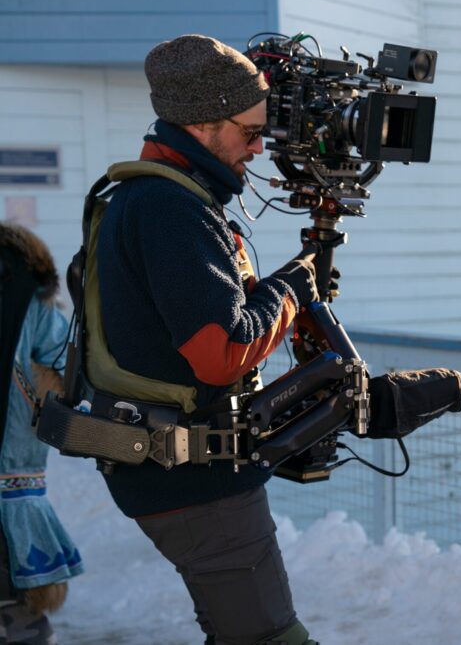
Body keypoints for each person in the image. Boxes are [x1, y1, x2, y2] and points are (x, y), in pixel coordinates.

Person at [91, 35, 320, 645]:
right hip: (196, 483)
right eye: (250, 132)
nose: (259, 147)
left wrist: (275, 295)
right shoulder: (170, 208)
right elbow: (221, 354)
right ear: (201, 123)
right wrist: (292, 289)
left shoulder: (152, 195)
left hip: (173, 469)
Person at [0, 222, 83, 644]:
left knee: (19, 619)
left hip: (12, 481)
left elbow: (64, 365)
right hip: (13, 481)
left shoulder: (21, 283)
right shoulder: (23, 281)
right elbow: (66, 368)